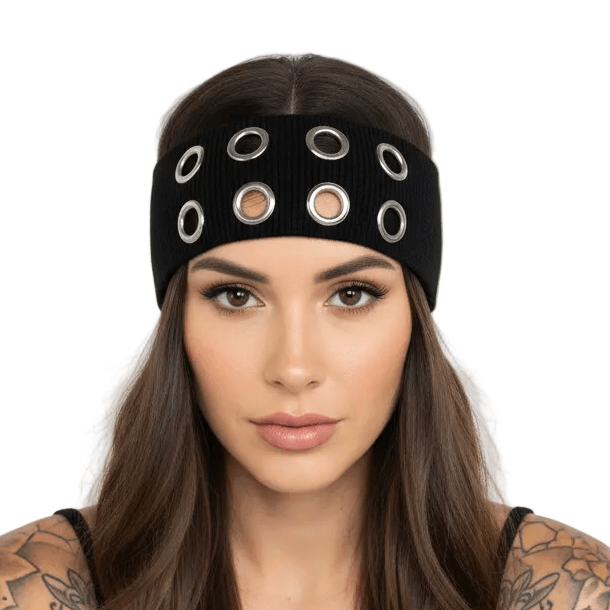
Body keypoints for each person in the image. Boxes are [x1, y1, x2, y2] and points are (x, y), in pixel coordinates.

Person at [1, 53, 608, 610]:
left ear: (414, 319)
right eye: (237, 296)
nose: (293, 368)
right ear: (178, 319)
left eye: (351, 294)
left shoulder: (565, 592)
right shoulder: (30, 589)